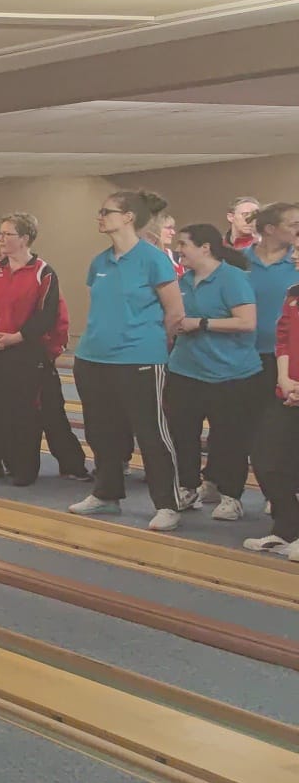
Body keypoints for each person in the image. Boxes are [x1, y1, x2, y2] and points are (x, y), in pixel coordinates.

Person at [68, 191, 188, 525]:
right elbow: (101, 308)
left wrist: (151, 345)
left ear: (128, 217)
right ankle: (106, 495)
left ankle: (167, 505)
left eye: (106, 211)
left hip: (139, 359)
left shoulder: (154, 259)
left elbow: (175, 312)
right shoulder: (100, 262)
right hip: (93, 358)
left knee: (151, 434)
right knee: (101, 432)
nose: (99, 216)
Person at [158, 224, 260, 530]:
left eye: (184, 244)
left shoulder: (233, 278)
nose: (179, 250)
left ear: (205, 248)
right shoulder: (183, 281)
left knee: (229, 438)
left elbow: (246, 322)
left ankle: (231, 496)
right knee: (182, 434)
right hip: (185, 371)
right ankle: (187, 487)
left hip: (231, 373)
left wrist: (201, 323)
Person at [0, 213, 61, 486]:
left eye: (7, 234)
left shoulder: (43, 272)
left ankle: (23, 467)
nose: (1, 239)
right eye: (0, 233)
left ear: (24, 239)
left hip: (24, 352)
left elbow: (47, 314)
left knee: (23, 410)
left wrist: (16, 337)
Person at [245, 282, 299, 560]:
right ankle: (287, 529)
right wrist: (284, 379)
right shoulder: (293, 295)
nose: (294, 260)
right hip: (288, 391)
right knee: (266, 459)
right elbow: (283, 338)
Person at [244, 202, 299, 401]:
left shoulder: (296, 261)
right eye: (294, 224)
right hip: (244, 356)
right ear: (270, 229)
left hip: (289, 359)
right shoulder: (238, 261)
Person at [38, 292, 93, 482]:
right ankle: (16, 464)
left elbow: (60, 321)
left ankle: (72, 464)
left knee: (52, 413)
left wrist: (51, 352)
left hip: (40, 358)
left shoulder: (45, 281)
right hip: (7, 357)